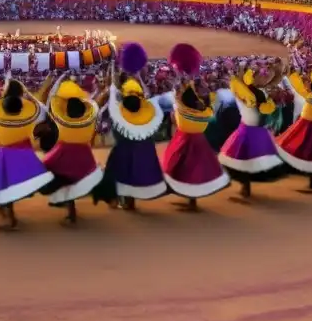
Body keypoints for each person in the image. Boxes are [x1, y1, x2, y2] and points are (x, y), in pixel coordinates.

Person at [0, 74, 53, 231]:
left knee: (5, 184)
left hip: (6, 154)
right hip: (25, 153)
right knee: (13, 183)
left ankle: (11, 219)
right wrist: (30, 96)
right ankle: (4, 208)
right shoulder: (28, 114)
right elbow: (43, 111)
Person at [161, 44, 231, 211]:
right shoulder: (194, 82)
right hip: (193, 132)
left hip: (187, 134)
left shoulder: (185, 85)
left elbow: (182, 96)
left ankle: (190, 200)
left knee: (185, 167)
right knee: (191, 169)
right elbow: (203, 99)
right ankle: (190, 199)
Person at [98, 50, 167, 210]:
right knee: (135, 172)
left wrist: (115, 79)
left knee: (117, 170)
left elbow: (113, 97)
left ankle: (117, 200)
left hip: (124, 146)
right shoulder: (148, 108)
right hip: (143, 146)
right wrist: (139, 77)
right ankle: (129, 201)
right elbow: (147, 94)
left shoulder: (120, 109)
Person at [38, 72, 106, 225]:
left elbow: (50, 99)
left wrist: (59, 78)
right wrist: (95, 92)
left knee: (60, 179)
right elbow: (94, 102)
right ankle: (72, 211)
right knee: (74, 182)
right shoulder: (89, 120)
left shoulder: (62, 123)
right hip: (84, 158)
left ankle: (69, 209)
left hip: (63, 156)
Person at [218, 65, 287, 201]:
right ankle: (246, 186)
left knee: (250, 161)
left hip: (257, 130)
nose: (266, 78)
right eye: (264, 75)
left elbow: (266, 106)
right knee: (244, 160)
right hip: (249, 129)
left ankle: (246, 187)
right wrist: (243, 70)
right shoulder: (250, 91)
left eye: (268, 76)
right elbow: (238, 83)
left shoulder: (260, 91)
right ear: (254, 77)